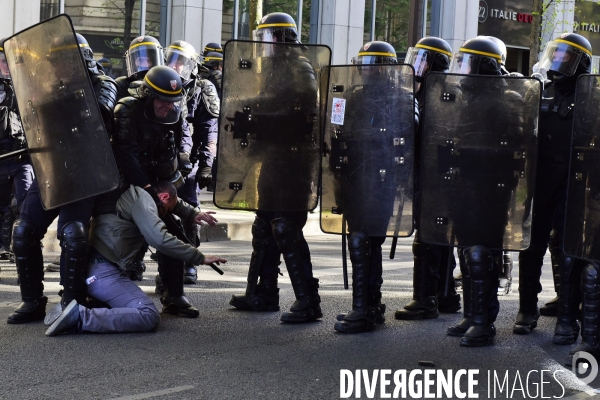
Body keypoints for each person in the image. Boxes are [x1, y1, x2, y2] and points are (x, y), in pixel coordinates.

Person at [419, 36, 538, 346]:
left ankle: (484, 322)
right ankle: (472, 315)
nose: (463, 69)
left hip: (490, 188)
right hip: (462, 183)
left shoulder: (508, 98)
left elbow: (514, 148)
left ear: (486, 64)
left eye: (468, 62)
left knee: (480, 253)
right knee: (465, 249)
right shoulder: (462, 97)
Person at [8, 32, 118, 325]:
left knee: (73, 234)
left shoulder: (103, 85)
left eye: (61, 61)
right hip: (54, 172)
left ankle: (72, 302)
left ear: (78, 60)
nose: (56, 67)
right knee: (23, 229)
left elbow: (101, 114)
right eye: (53, 62)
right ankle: (33, 301)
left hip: (86, 175)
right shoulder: (51, 89)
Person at [226, 12, 325, 322]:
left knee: (285, 227)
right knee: (264, 226)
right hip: (273, 158)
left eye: (267, 38)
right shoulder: (274, 68)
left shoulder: (298, 66)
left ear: (282, 38)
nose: (263, 46)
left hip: (293, 163)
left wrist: (257, 113)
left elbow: (302, 113)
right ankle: (262, 293)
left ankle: (309, 301)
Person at [45, 181, 226, 336]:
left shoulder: (139, 190)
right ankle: (78, 317)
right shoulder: (143, 199)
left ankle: (74, 310)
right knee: (148, 315)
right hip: (103, 271)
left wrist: (192, 213)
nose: (164, 215)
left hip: (96, 267)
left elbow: (170, 199)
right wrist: (199, 257)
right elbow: (159, 239)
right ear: (162, 197)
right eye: (167, 211)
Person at [325, 41, 415, 333]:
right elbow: (334, 127)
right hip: (351, 176)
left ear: (386, 68)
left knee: (365, 240)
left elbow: (410, 132)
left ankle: (362, 309)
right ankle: (371, 305)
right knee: (364, 241)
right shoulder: (350, 95)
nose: (367, 69)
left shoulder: (401, 99)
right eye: (364, 64)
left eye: (374, 64)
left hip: (381, 177)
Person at [513, 33, 592, 341]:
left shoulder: (591, 97)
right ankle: (526, 309)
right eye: (556, 55)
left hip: (573, 186)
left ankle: (568, 317)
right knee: (530, 248)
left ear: (581, 64)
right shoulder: (540, 92)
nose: (558, 62)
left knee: (568, 251)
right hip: (539, 181)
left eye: (567, 57)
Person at [112, 65, 199, 317]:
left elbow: (171, 150)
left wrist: (166, 190)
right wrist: (148, 188)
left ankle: (173, 293)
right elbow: (125, 155)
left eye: (173, 102)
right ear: (149, 96)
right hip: (123, 185)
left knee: (173, 231)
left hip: (153, 181)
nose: (168, 107)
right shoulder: (127, 110)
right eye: (162, 101)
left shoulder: (173, 112)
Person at [394, 36, 461, 322]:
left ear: (436, 63)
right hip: (436, 175)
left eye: (423, 58)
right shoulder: (432, 91)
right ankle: (445, 294)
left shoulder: (439, 93)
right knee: (441, 237)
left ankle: (425, 300)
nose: (416, 64)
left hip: (436, 176)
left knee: (427, 239)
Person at [165, 40, 219, 285]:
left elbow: (209, 131)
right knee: (156, 209)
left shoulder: (202, 88)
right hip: (163, 157)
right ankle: (140, 261)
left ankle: (190, 263)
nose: (176, 66)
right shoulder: (162, 80)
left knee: (190, 213)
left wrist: (206, 164)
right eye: (172, 60)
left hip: (190, 161)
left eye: (181, 61)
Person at [0, 41, 33, 262]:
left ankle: (25, 244)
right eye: (3, 61)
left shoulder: (27, 87)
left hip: (22, 156)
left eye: (10, 62)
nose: (6, 66)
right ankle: (3, 246)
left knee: (26, 202)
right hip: (1, 157)